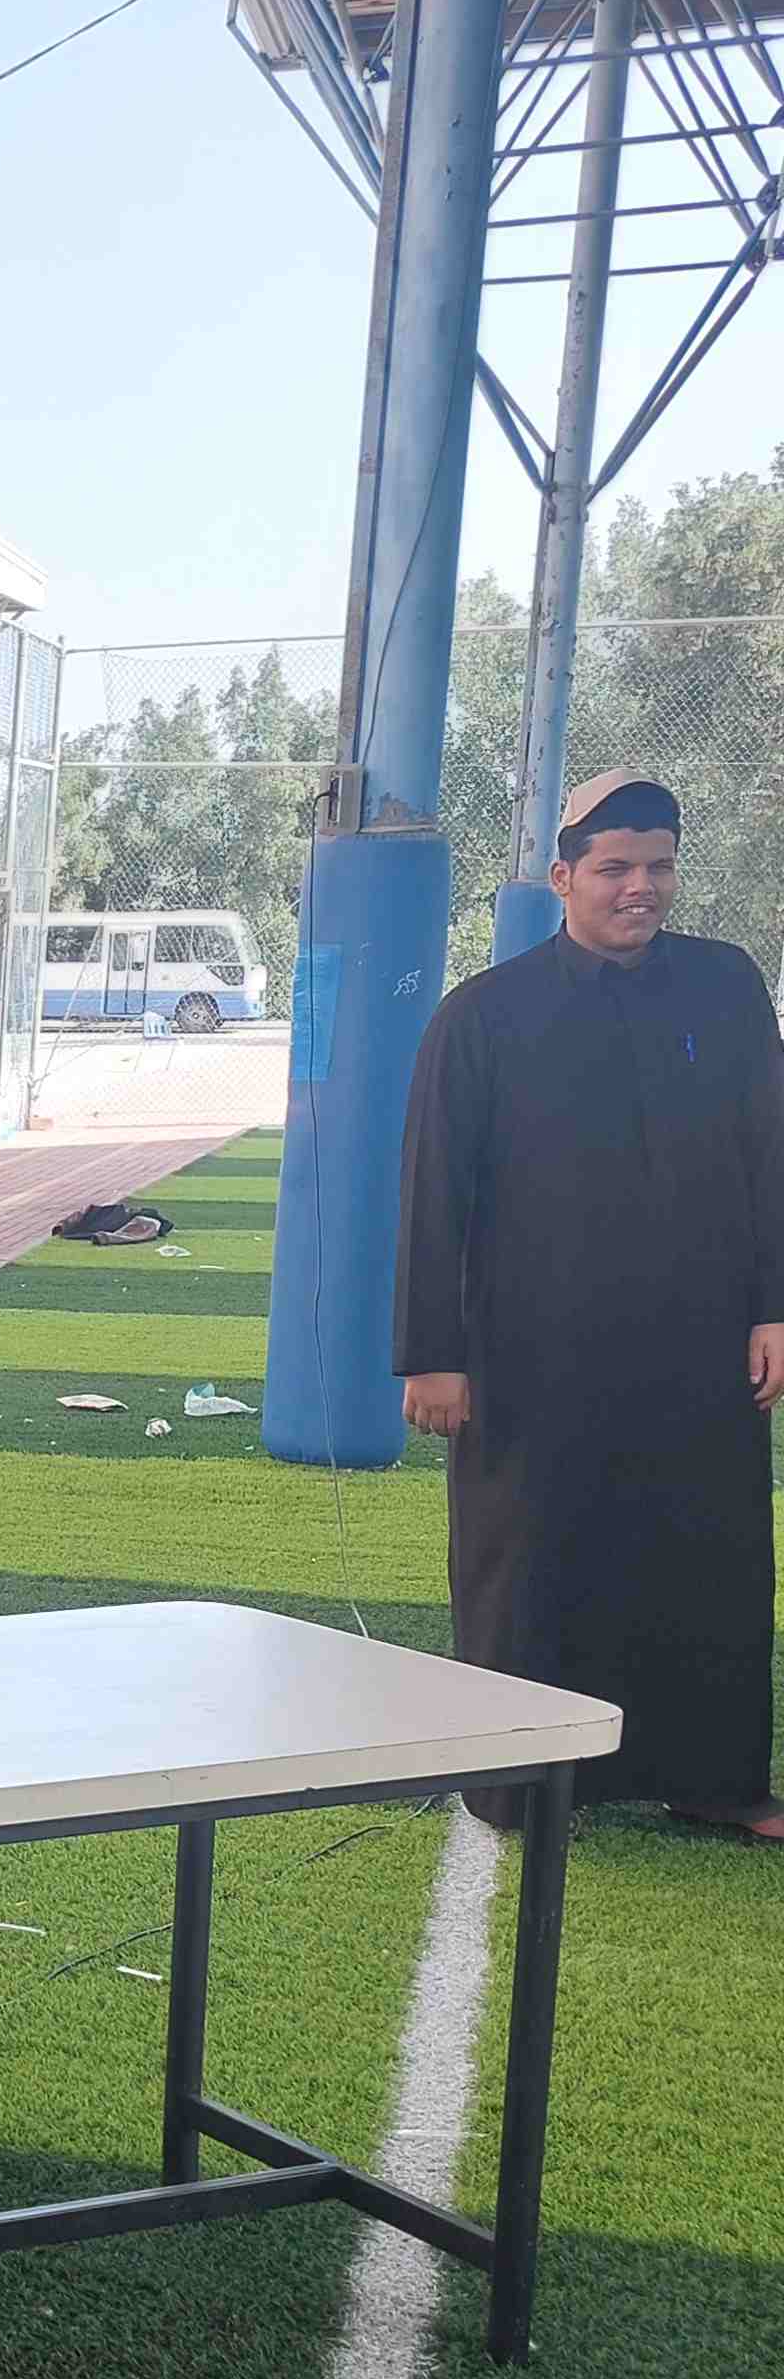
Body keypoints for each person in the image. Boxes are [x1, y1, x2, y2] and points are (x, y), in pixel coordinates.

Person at [397, 768, 784, 1837]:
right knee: (532, 1564)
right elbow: (435, 1193)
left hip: (702, 1342)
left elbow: (771, 1155)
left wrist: (776, 1307)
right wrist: (432, 1352)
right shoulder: (483, 1016)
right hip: (535, 1351)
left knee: (707, 1557)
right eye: (614, 868)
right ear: (562, 877)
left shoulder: (727, 987)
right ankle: (521, 1783)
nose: (639, 887)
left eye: (658, 866)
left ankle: (713, 1780)